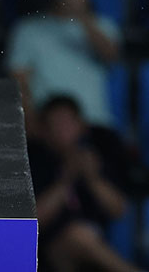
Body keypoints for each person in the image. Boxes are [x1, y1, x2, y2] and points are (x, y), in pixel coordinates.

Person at [7, 0, 123, 138]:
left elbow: (112, 56)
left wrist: (80, 14)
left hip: (93, 124)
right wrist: (34, 127)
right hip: (47, 127)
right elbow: (18, 85)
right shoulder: (27, 30)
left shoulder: (104, 27)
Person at [27, 97, 141, 272]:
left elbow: (119, 210)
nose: (62, 131)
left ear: (81, 126)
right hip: (47, 248)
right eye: (56, 125)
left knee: (84, 237)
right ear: (44, 131)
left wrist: (93, 178)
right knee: (78, 235)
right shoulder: (34, 161)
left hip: (96, 244)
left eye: (68, 123)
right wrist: (65, 180)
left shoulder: (95, 155)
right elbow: (33, 221)